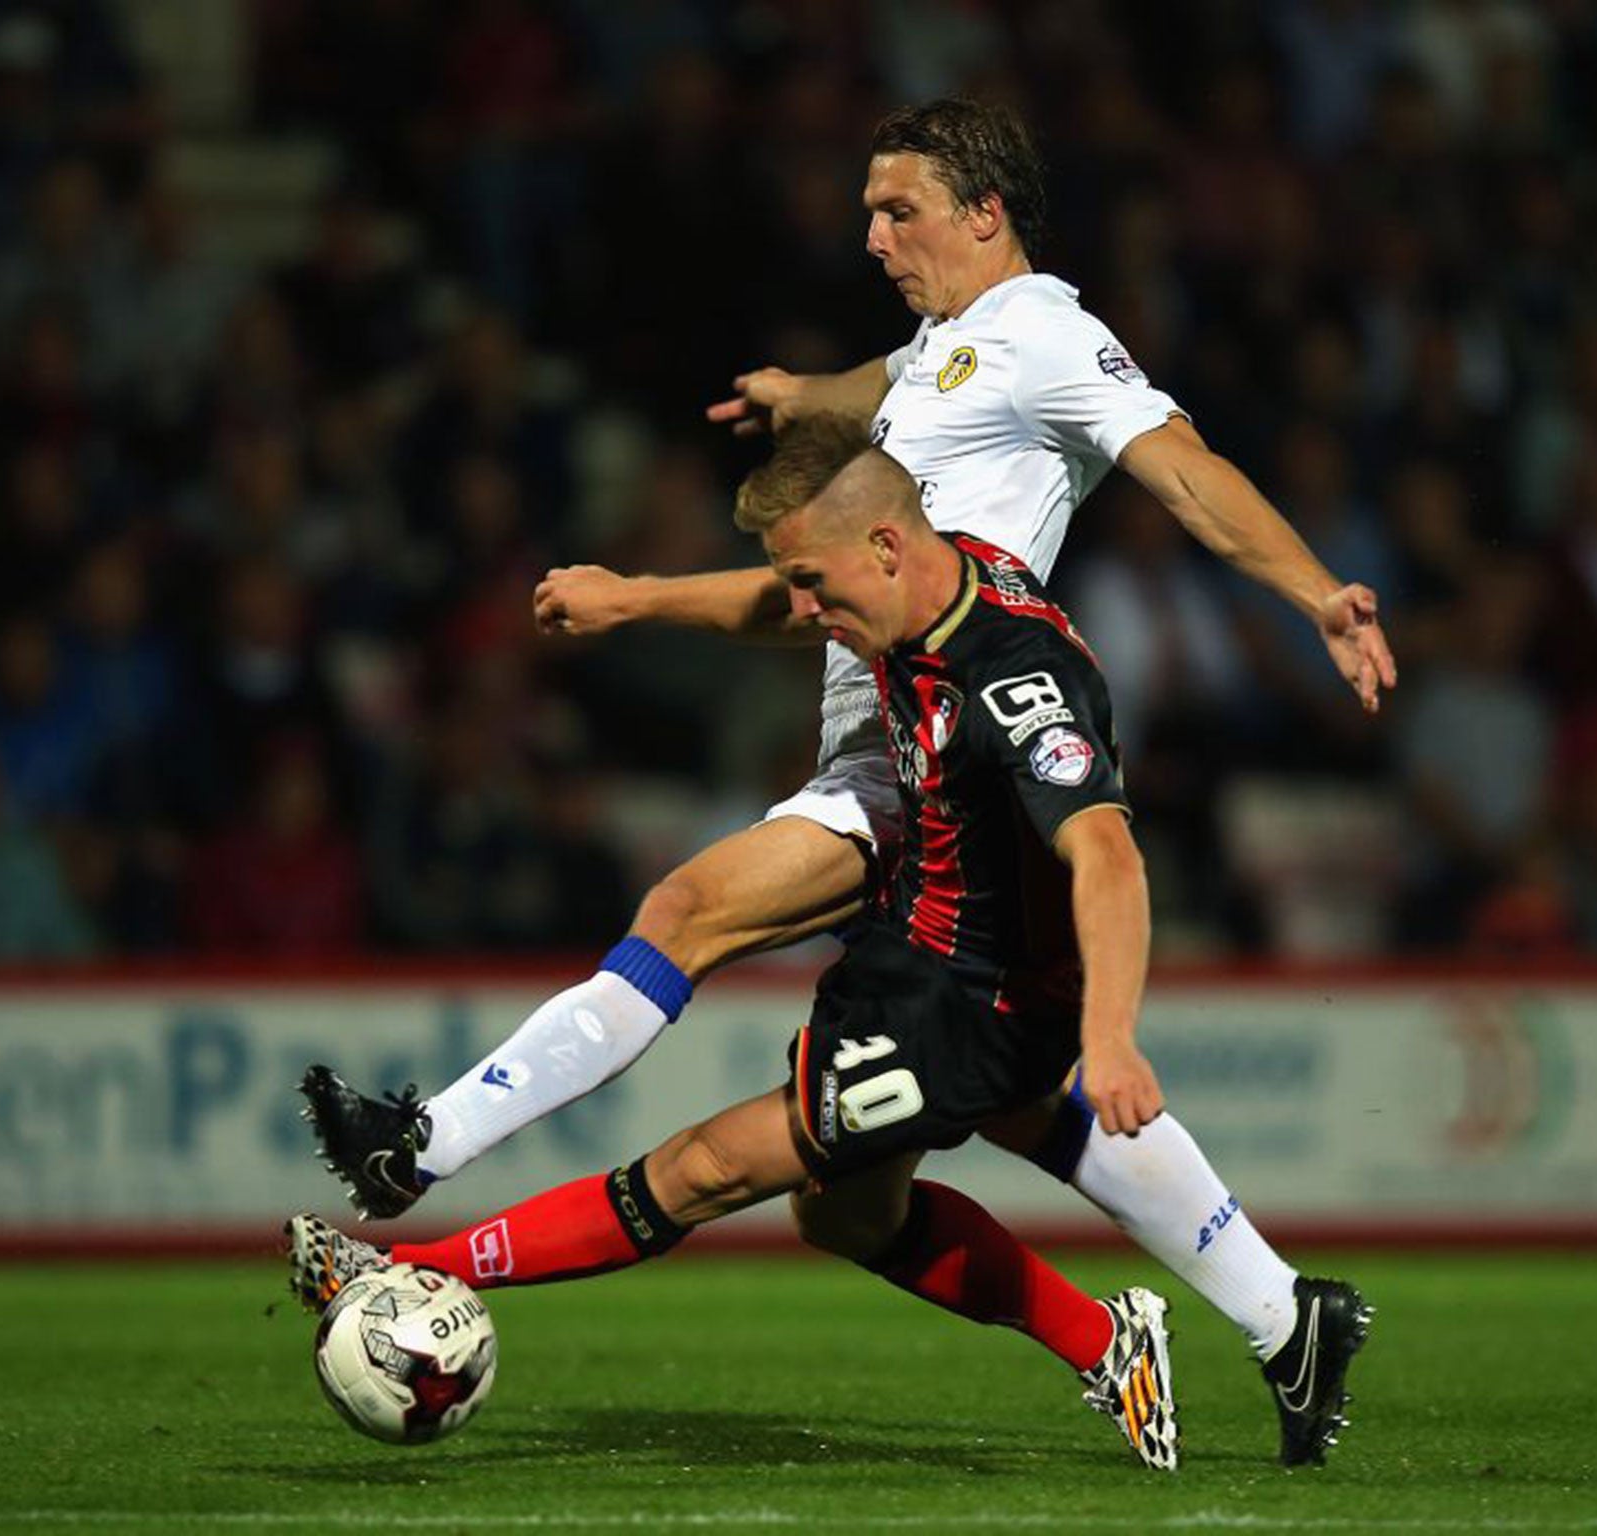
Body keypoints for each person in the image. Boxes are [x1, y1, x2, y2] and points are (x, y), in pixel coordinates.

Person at [304, 98, 1384, 1467]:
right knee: (932, 1146)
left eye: (900, 211)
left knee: (694, 929)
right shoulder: (948, 352)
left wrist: (1317, 600)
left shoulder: (1050, 335)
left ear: (985, 212)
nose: (872, 236)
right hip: (884, 745)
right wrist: (801, 402)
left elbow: (1188, 473)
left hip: (936, 767)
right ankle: (1277, 1314)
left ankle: (423, 1154)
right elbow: (839, 517)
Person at [294, 424, 1184, 1470]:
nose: (804, 612)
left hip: (974, 1007)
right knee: (844, 1219)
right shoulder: (930, 583)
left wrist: (1111, 1039)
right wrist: (632, 600)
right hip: (911, 956)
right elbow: (773, 603)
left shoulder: (1015, 680)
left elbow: (1111, 860)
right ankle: (1106, 1339)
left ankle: (402, 1267)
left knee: (704, 1168)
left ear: (888, 547)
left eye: (812, 581)